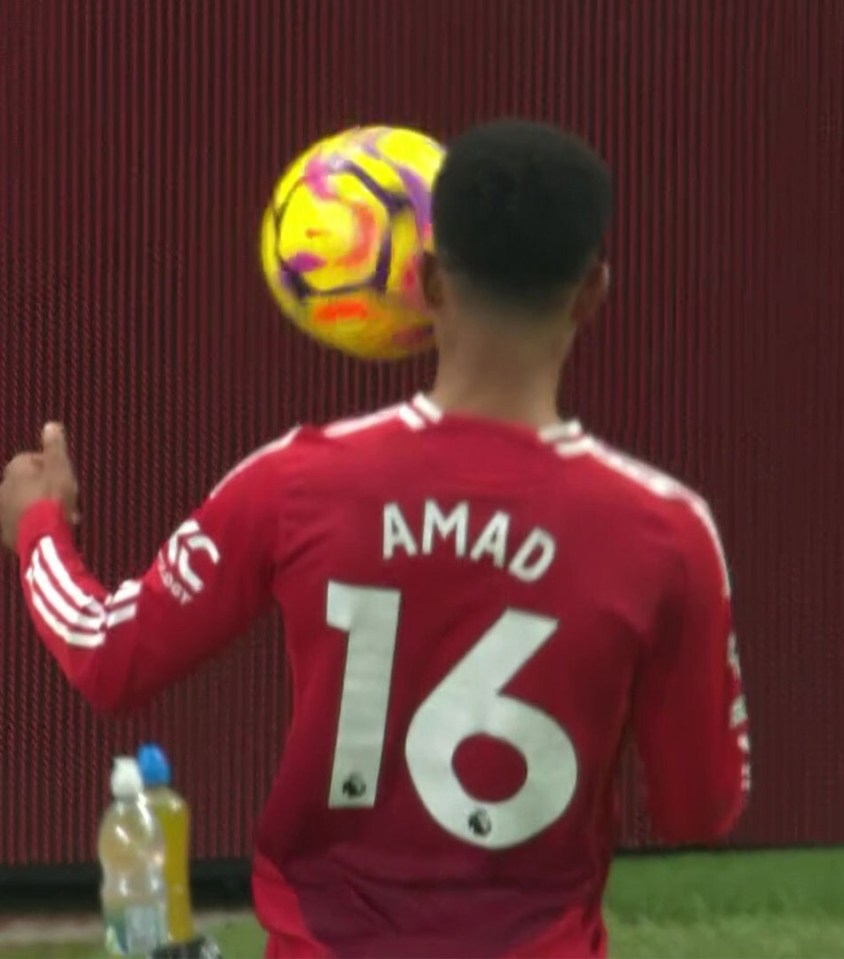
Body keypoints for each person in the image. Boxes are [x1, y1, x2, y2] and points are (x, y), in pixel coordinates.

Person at [0, 119, 749, 959]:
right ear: (593, 292)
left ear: (424, 280)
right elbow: (701, 807)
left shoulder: (298, 481)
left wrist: (38, 523)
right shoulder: (667, 531)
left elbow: (108, 654)